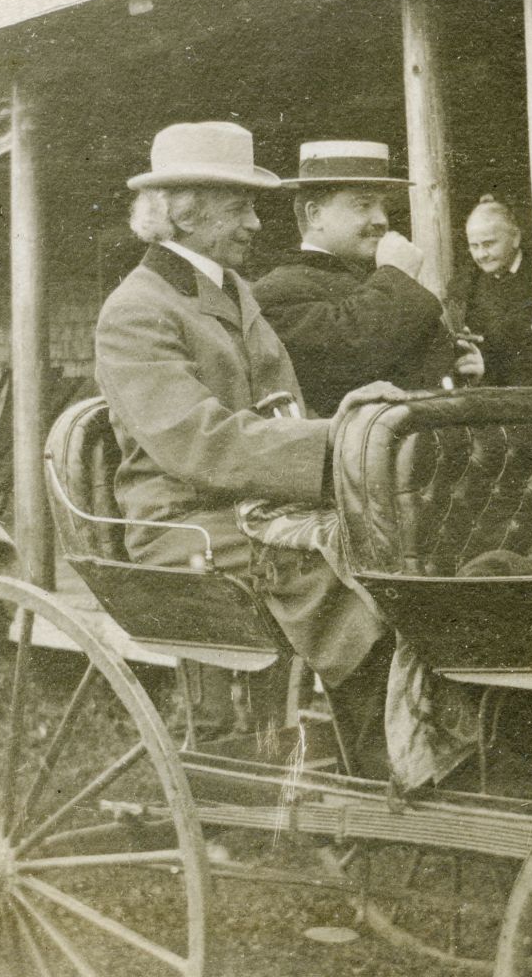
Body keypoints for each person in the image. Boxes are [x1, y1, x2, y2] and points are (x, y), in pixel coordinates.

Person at [94, 122, 399, 769]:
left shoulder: (232, 291)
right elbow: (198, 445)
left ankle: (377, 749)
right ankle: (379, 758)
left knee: (394, 547)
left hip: (249, 507)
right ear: (183, 213)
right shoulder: (136, 309)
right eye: (241, 207)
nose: (259, 224)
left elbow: (277, 409)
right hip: (184, 520)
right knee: (344, 563)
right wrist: (335, 447)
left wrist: (346, 418)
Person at [253, 140, 483, 416]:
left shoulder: (382, 282)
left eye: (382, 207)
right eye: (363, 205)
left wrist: (460, 371)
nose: (382, 219)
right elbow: (353, 355)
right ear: (315, 215)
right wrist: (397, 275)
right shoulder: (276, 290)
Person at [446, 195, 532, 386]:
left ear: (515, 238)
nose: (481, 255)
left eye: (489, 244)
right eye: (474, 246)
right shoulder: (465, 284)